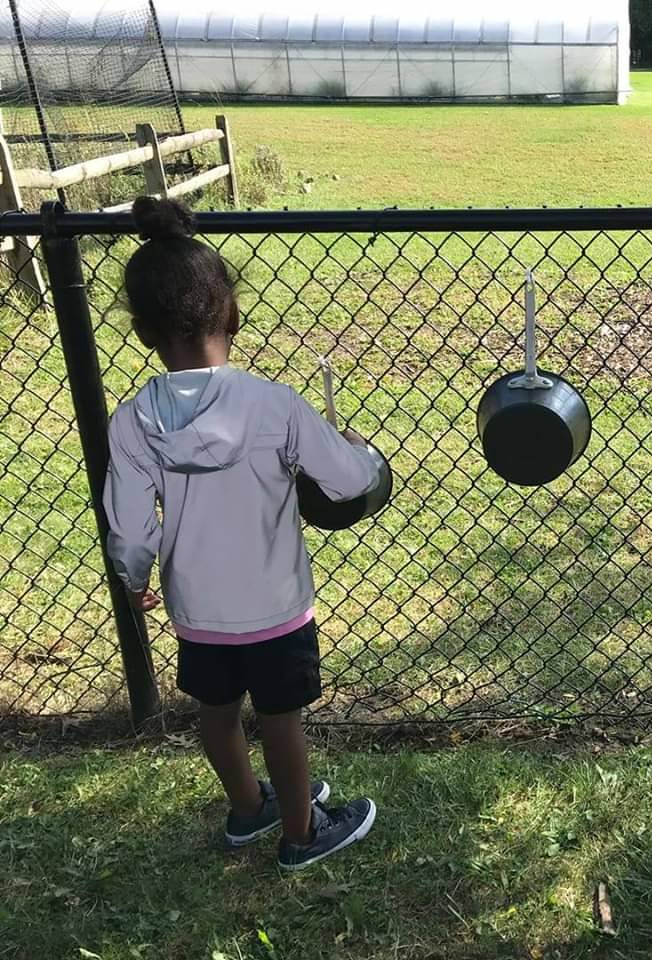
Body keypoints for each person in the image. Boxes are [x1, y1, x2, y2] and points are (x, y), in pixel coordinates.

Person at [104, 197, 380, 871]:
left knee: (218, 713)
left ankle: (248, 806)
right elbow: (346, 483)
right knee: (282, 721)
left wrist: (134, 576)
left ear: (142, 331)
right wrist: (363, 450)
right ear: (231, 314)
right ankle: (300, 834)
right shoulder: (275, 404)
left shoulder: (135, 420)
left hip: (198, 612)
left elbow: (131, 523)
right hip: (275, 607)